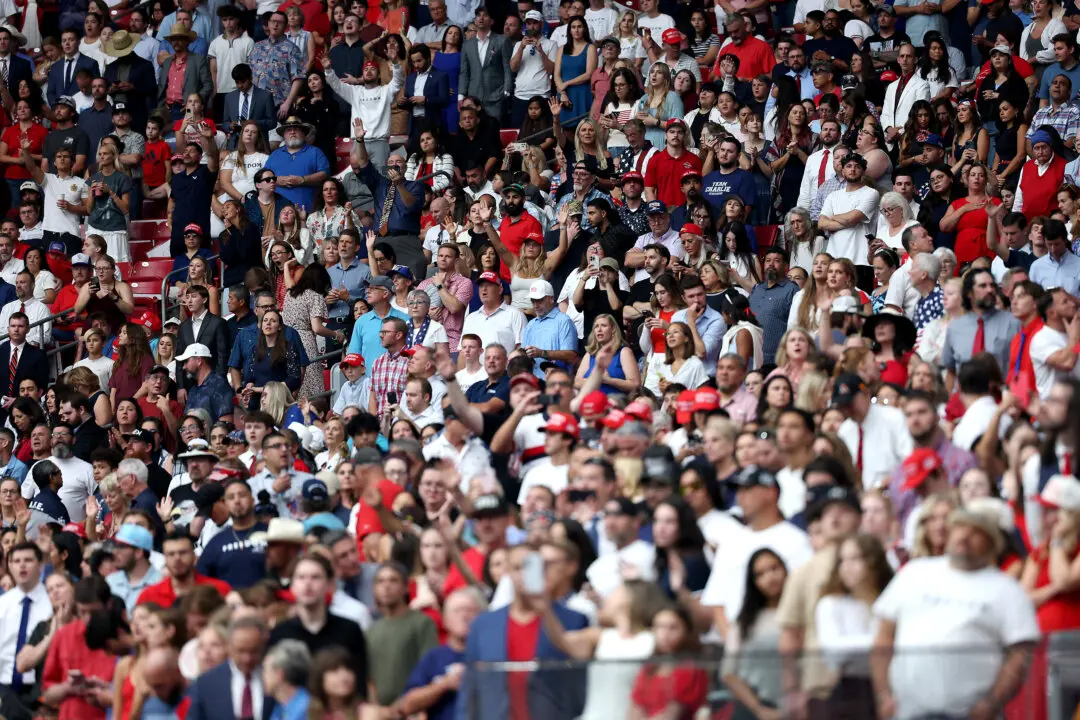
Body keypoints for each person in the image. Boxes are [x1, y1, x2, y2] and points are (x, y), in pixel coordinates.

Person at [870, 502, 1040, 719]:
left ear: (993, 545)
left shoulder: (1008, 590)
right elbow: (884, 636)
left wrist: (992, 703)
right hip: (907, 711)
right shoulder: (913, 573)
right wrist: (884, 695)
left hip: (969, 714)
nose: (964, 536)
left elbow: (1020, 655)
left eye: (976, 532)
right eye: (959, 527)